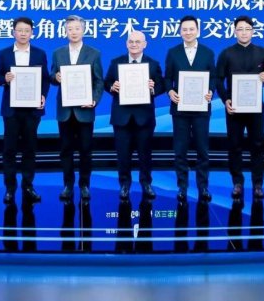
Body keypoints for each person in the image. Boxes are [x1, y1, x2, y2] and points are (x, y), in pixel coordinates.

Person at [0, 17, 50, 204]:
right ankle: (10, 188)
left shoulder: (40, 54)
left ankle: (28, 186)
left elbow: (45, 79)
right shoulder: (4, 53)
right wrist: (5, 78)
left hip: (32, 110)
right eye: (20, 30)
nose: (23, 34)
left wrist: (43, 96)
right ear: (13, 32)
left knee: (30, 149)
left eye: (27, 30)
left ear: (32, 33)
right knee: (9, 150)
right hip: (11, 109)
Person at [216, 15, 264, 200]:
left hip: (256, 108)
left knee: (258, 144)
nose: (244, 33)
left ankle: (258, 184)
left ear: (253, 31)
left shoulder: (262, 52)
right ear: (234, 32)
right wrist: (225, 100)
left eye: (247, 29)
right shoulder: (226, 53)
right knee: (235, 145)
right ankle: (237, 182)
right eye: (240, 29)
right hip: (234, 108)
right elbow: (218, 79)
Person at [105, 30, 165, 200]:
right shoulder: (116, 63)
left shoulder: (152, 64)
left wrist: (153, 88)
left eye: (138, 42)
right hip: (121, 117)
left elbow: (161, 85)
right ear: (126, 44)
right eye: (131, 41)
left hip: (144, 117)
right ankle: (124, 184)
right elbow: (106, 82)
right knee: (123, 154)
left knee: (145, 154)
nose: (134, 44)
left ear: (144, 44)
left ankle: (146, 183)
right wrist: (112, 87)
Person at [50, 15, 104, 201]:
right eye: (70, 29)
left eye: (77, 28)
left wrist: (94, 100)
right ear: (65, 31)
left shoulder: (94, 53)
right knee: (65, 150)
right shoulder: (58, 53)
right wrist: (55, 77)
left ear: (83, 30)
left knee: (85, 150)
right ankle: (67, 185)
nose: (73, 32)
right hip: (65, 110)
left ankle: (84, 185)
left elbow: (99, 80)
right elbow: (52, 75)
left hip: (84, 109)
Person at [164, 15, 215, 202]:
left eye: (191, 29)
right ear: (180, 32)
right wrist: (170, 91)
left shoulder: (208, 53)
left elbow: (213, 77)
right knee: (180, 150)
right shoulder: (173, 52)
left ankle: (203, 187)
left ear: (198, 31)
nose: (188, 32)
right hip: (180, 109)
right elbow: (167, 78)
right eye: (184, 29)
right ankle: (182, 187)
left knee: (203, 150)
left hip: (201, 109)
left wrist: (211, 91)